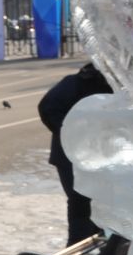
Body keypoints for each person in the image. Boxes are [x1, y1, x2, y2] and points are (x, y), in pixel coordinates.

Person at [38, 60, 114, 244]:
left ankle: (98, 245)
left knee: (97, 201)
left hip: (99, 154)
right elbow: (47, 108)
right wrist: (73, 134)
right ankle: (79, 245)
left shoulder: (114, 85)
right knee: (80, 201)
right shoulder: (77, 83)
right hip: (70, 156)